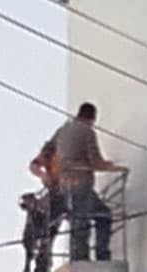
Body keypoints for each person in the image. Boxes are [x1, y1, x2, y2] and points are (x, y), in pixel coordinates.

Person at [53, 101, 125, 262]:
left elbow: (50, 153)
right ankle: (95, 257)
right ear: (92, 118)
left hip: (64, 184)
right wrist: (111, 167)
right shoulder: (87, 131)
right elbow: (95, 161)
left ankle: (79, 258)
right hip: (80, 181)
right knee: (93, 217)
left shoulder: (63, 131)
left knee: (79, 219)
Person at [23, 134, 64, 272]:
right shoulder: (51, 153)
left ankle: (42, 269)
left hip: (63, 192)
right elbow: (34, 165)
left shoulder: (62, 152)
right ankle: (41, 270)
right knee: (46, 230)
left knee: (51, 229)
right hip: (57, 193)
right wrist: (43, 175)